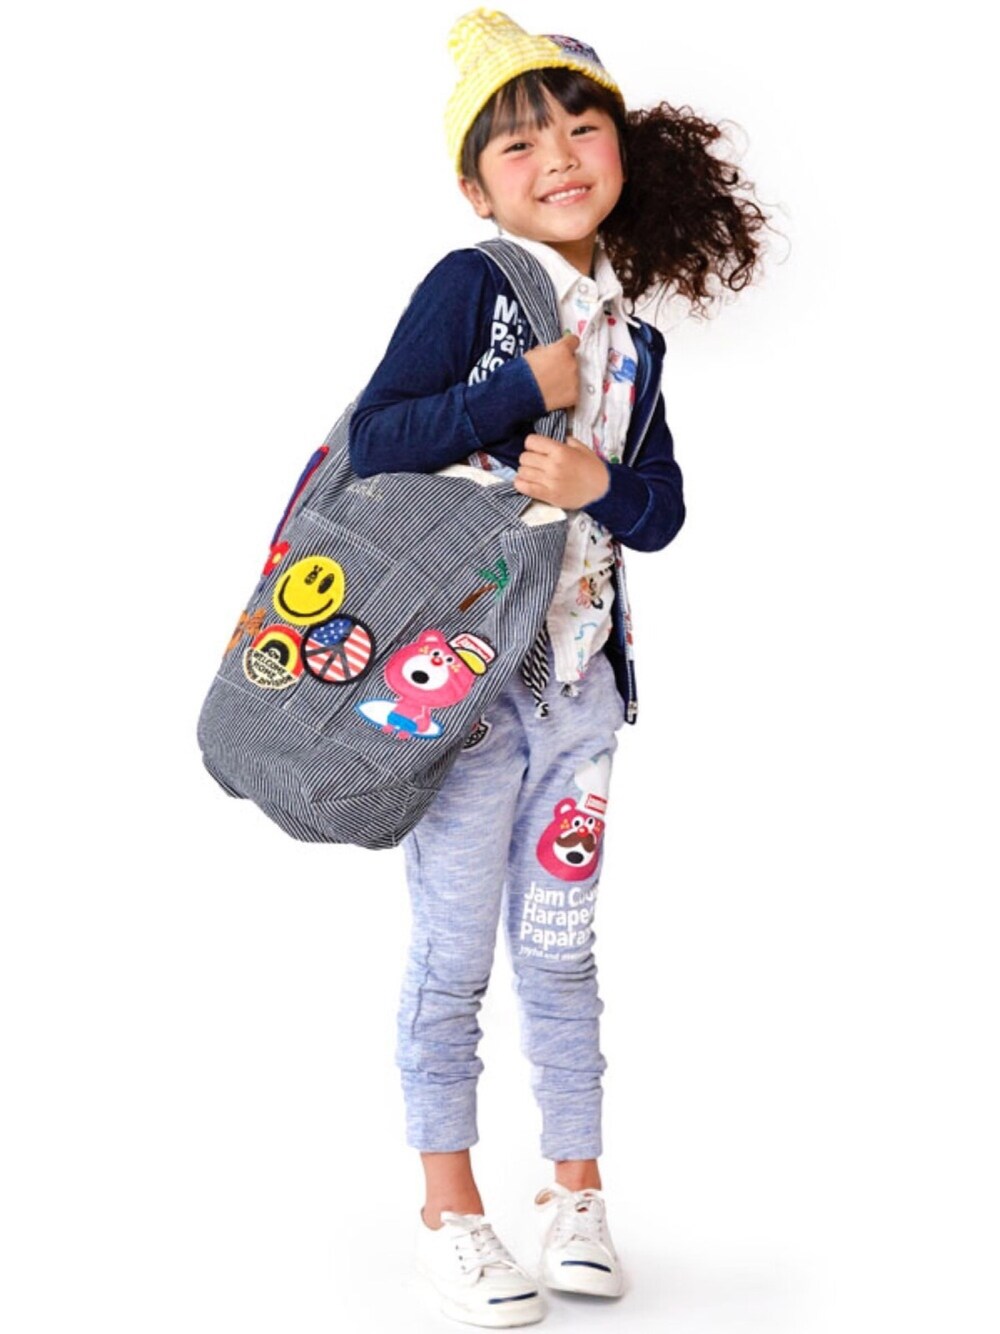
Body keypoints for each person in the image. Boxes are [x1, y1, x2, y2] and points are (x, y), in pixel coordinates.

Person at [347, 8, 770, 1326]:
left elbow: (662, 511)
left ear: (622, 151)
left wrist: (600, 482)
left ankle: (576, 1195)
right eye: (519, 143)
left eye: (582, 127)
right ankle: (449, 1210)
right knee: (453, 954)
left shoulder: (634, 339)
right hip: (461, 694)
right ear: (476, 187)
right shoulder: (473, 284)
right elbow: (375, 439)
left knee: (562, 948)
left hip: (578, 695)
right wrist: (506, 394)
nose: (559, 156)